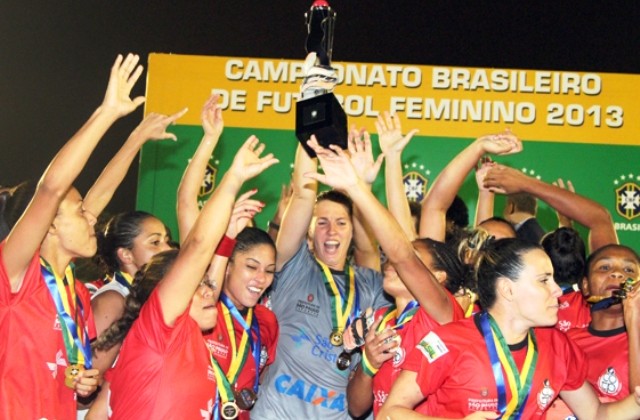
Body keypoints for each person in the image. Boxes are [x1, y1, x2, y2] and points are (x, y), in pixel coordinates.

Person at [0, 53, 146, 419]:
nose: (92, 220)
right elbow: (52, 190)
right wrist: (106, 113)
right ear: (48, 224)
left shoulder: (77, 295)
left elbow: (98, 197)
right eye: (80, 213)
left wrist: (82, 386)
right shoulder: (17, 275)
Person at [105, 135, 278, 418]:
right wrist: (232, 179)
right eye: (197, 287)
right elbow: (197, 247)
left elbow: (211, 274)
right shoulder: (159, 332)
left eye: (208, 286)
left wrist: (229, 238)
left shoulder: (196, 343)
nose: (211, 292)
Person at [378, 238, 640, 419]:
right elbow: (390, 412)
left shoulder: (557, 345)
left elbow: (595, 414)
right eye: (543, 280)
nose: (557, 290)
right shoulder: (448, 342)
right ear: (507, 289)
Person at [251, 130, 389, 419]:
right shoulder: (293, 266)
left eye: (341, 223)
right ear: (309, 232)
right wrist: (309, 135)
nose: (332, 231)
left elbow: (380, 249)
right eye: (322, 222)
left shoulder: (373, 284)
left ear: (352, 232)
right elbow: (303, 194)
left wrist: (360, 188)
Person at [176, 94, 278, 419]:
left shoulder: (266, 324)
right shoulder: (200, 300)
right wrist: (209, 139)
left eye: (270, 271)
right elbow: (186, 203)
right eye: (251, 266)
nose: (261, 278)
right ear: (229, 262)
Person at [547, 244, 640, 418]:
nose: (618, 274)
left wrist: (635, 319)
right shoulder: (564, 341)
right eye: (605, 267)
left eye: (629, 270)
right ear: (585, 285)